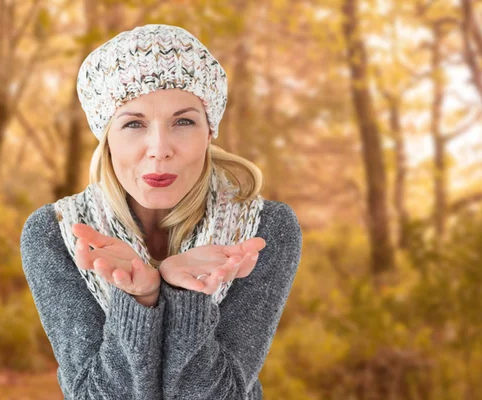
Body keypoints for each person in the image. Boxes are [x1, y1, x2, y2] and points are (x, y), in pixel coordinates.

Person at [20, 23, 302, 400]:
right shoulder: (55, 234)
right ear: (106, 136)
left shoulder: (263, 232)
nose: (159, 149)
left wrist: (187, 296)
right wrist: (138, 301)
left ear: (209, 131)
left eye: (183, 121)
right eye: (134, 124)